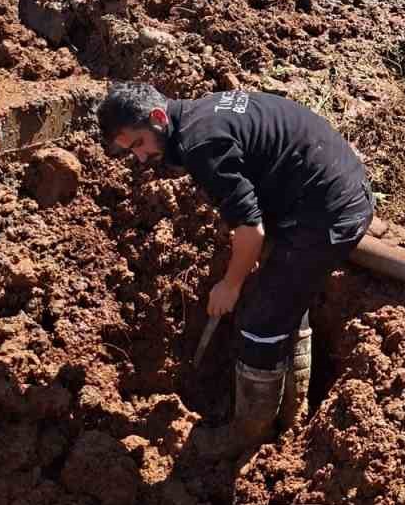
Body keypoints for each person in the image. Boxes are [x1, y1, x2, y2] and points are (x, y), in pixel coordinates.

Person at [97, 83, 374, 449]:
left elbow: (249, 229)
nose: (141, 158)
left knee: (260, 323)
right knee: (284, 299)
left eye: (138, 144)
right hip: (324, 193)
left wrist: (230, 285)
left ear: (159, 118)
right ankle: (292, 413)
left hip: (328, 213)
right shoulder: (201, 114)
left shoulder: (202, 146)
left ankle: (249, 435)